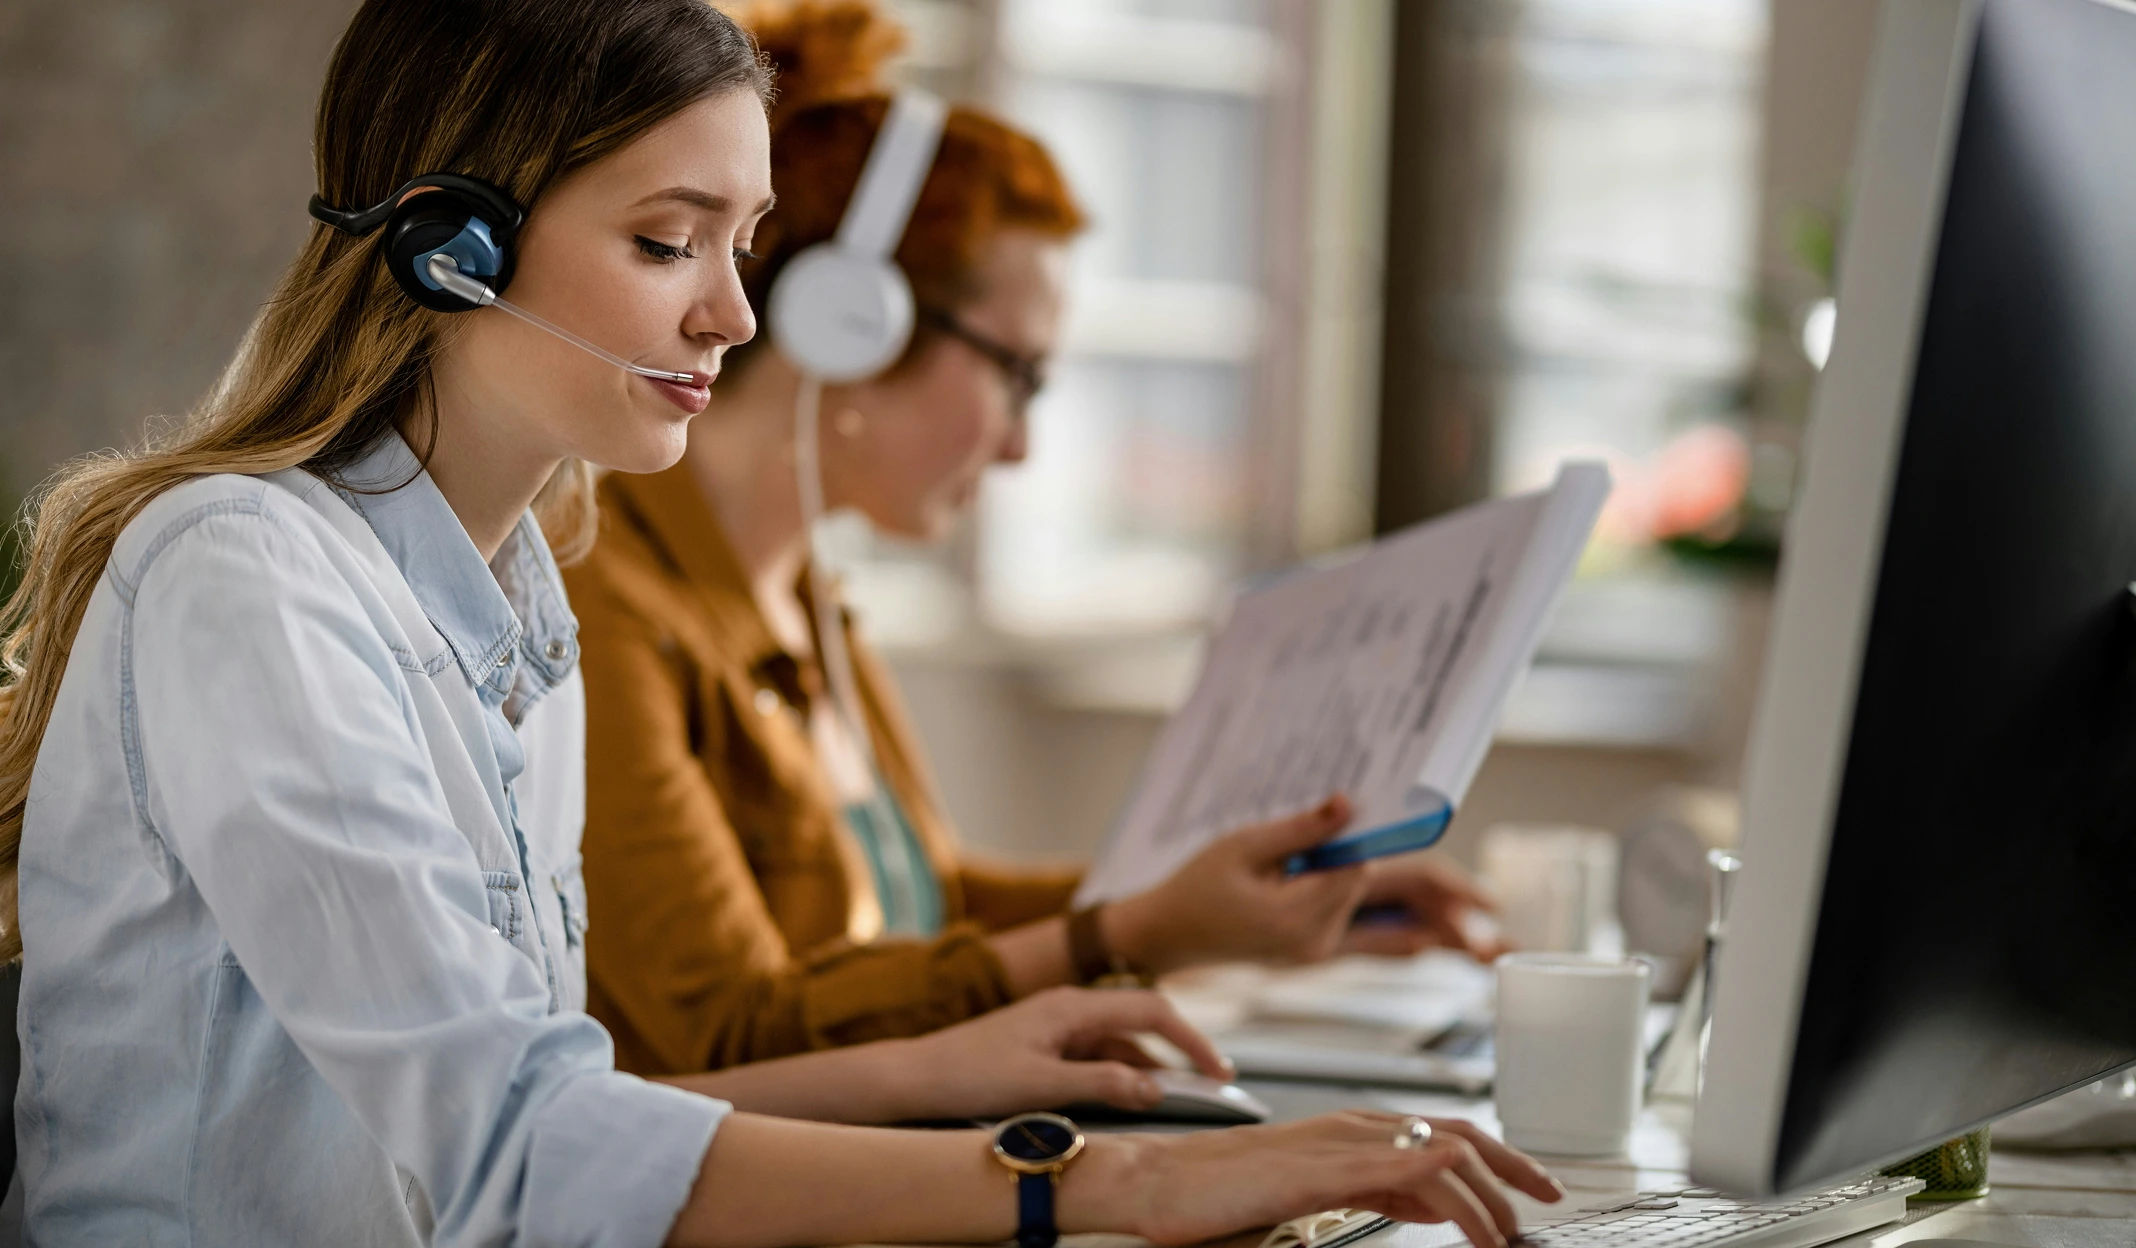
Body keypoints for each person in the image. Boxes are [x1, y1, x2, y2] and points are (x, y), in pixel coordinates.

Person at [0, 1, 1561, 1244]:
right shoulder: (247, 581)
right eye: (666, 242)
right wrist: (1103, 1181)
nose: (734, 317)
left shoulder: (522, 589)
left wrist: (940, 1070)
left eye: (741, 246)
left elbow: (567, 1103)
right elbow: (514, 1144)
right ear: (449, 247)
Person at [566, 0, 1502, 1080]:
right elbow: (735, 1037)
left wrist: (1226, 899)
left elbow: (930, 908)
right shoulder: (604, 606)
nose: (1018, 446)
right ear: (855, 323)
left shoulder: (806, 597)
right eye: (1018, 374)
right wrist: (1132, 933)